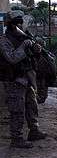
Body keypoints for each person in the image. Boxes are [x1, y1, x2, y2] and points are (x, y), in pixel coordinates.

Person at [0, 10, 47, 148]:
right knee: (17, 110)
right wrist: (24, 46)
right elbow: (12, 58)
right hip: (13, 80)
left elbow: (32, 56)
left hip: (26, 78)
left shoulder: (24, 37)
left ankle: (34, 131)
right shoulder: (4, 40)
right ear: (10, 25)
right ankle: (17, 138)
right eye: (16, 23)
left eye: (20, 23)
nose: (19, 26)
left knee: (31, 106)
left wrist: (36, 49)